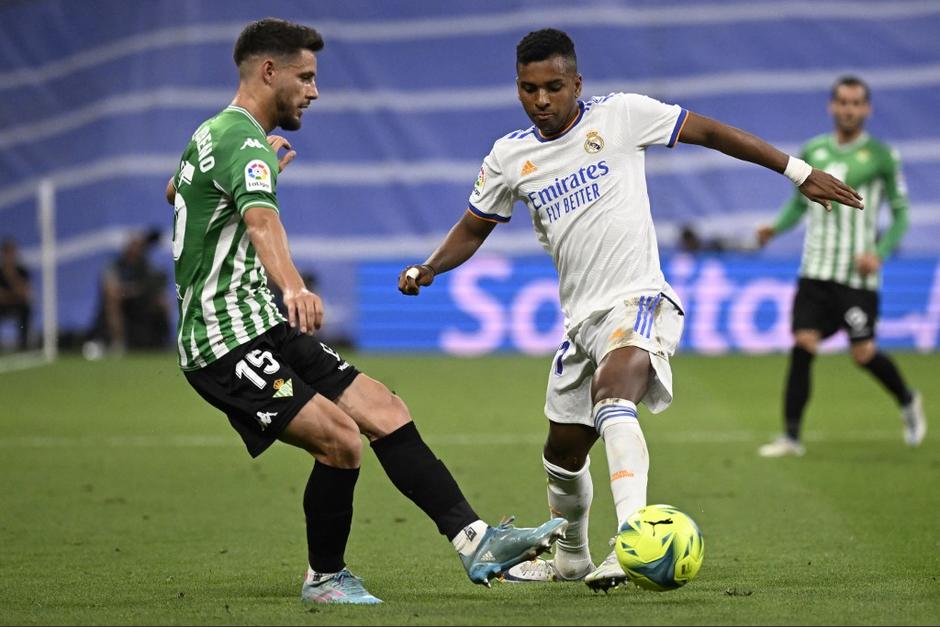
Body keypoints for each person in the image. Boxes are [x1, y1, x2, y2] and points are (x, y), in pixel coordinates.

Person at [397, 28, 861, 591]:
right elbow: (474, 226)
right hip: (582, 323)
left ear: (576, 83)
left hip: (639, 298)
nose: (541, 100)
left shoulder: (621, 116)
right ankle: (571, 559)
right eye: (528, 89)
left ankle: (633, 538)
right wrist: (429, 267)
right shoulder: (509, 156)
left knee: (613, 398)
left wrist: (798, 172)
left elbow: (712, 132)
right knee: (562, 457)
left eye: (553, 87)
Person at [165, 18, 566, 606]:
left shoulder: (215, 135)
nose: (314, 90)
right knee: (341, 440)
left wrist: (250, 178)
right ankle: (324, 578)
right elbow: (260, 220)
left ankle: (475, 539)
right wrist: (296, 285)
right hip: (223, 342)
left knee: (383, 407)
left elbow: (175, 191)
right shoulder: (243, 140)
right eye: (305, 77)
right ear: (268, 71)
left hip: (262, 326)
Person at [755, 75, 926, 457]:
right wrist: (774, 228)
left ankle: (907, 399)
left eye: (856, 103)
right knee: (803, 344)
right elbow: (799, 204)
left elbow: (900, 216)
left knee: (863, 354)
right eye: (843, 102)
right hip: (815, 269)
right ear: (833, 106)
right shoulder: (814, 149)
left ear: (866, 109)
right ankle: (792, 438)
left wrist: (879, 252)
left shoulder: (882, 156)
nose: (849, 109)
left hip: (856, 274)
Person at [89, 229, 170, 353]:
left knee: (164, 301)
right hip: (122, 305)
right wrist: (134, 290)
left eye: (139, 246)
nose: (136, 249)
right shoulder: (116, 265)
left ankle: (164, 342)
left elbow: (155, 285)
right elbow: (111, 289)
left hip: (140, 307)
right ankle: (118, 344)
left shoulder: (146, 266)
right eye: (133, 245)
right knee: (113, 301)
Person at [0, 238, 32, 351]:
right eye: (7, 253)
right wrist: (14, 294)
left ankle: (23, 345)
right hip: (3, 306)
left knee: (26, 308)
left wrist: (11, 275)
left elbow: (25, 293)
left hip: (18, 305)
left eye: (12, 253)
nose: (10, 256)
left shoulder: (21, 271)